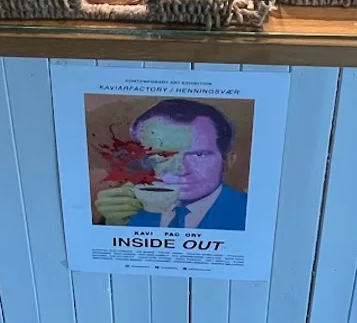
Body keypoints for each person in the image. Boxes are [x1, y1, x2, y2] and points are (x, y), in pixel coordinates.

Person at [93, 98, 247, 231]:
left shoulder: (252, 214)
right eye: (161, 155)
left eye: (199, 155)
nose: (180, 169)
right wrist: (112, 226)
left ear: (227, 162)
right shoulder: (123, 210)